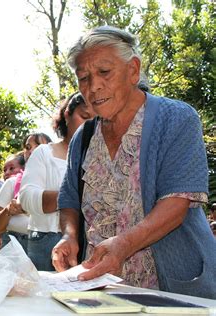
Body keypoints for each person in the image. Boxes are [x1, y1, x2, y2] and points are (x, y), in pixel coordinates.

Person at [53, 26, 216, 299]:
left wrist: (123, 245)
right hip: (102, 288)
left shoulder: (176, 118)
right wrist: (69, 236)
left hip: (170, 287)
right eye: (84, 78)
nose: (93, 87)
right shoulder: (84, 136)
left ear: (133, 70)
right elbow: (69, 199)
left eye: (104, 72)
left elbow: (177, 202)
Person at [19, 93, 95, 271]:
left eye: (95, 120)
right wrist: (72, 196)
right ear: (66, 114)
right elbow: (27, 198)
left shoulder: (98, 158)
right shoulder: (45, 152)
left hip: (90, 243)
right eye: (84, 116)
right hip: (47, 241)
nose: (88, 125)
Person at [0, 133, 52, 252]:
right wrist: (8, 210)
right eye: (28, 148)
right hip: (11, 251)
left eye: (39, 147)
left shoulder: (56, 186)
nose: (31, 151)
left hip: (45, 250)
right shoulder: (12, 184)